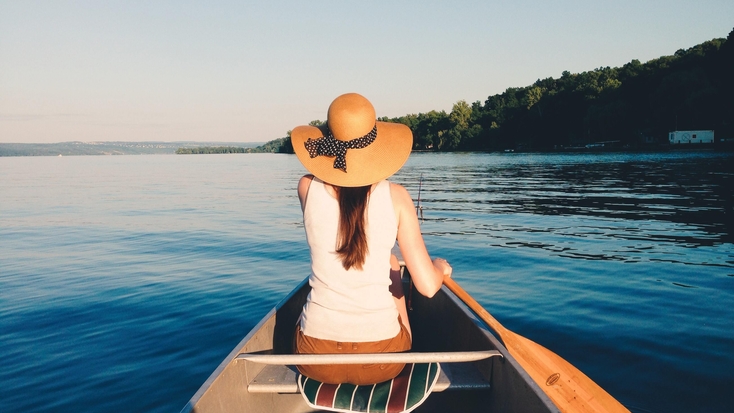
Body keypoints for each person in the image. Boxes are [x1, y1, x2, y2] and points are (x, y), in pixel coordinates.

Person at [290, 93, 452, 385]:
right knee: (393, 267)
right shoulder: (397, 197)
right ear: (376, 146)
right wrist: (440, 268)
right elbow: (427, 287)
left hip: (314, 359)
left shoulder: (306, 188)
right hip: (383, 361)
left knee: (387, 262)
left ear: (329, 137)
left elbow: (345, 223)